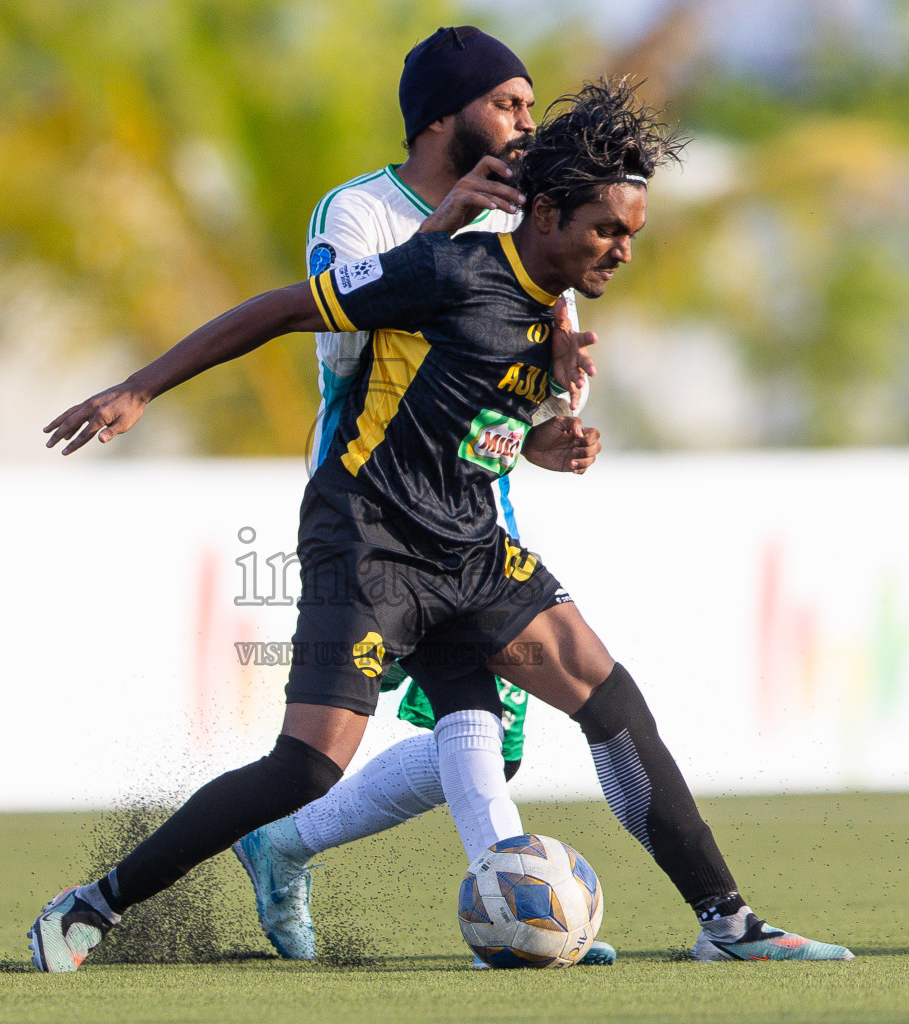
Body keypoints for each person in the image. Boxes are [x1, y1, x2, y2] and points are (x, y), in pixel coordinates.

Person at [30, 79, 854, 971]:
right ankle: (90, 907)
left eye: (631, 235)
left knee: (606, 699)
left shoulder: (555, 309)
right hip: (369, 539)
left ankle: (725, 924)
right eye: (607, 230)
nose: (620, 251)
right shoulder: (446, 269)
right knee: (306, 769)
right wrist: (138, 388)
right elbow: (281, 309)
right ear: (544, 214)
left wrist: (550, 443)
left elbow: (486, 419)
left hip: (468, 546)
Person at [228, 25, 612, 967]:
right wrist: (441, 240)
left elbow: (516, 383)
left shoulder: (529, 217)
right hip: (374, 503)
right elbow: (343, 337)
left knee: (486, 736)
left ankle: (306, 852)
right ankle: (497, 910)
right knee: (331, 748)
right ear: (445, 116)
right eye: (509, 104)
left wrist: (546, 431)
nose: (527, 123)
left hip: (477, 510)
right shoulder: (359, 210)